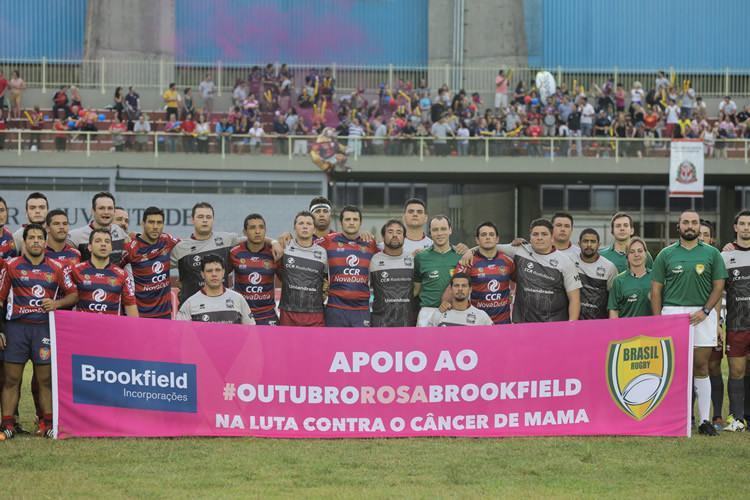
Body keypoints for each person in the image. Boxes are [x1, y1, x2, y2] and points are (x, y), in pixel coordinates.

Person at [651, 210, 727, 436]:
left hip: (702, 313)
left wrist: (705, 310)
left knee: (701, 366)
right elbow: (656, 290)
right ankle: (674, 419)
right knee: (672, 368)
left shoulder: (712, 254)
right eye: (686, 222)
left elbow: (719, 285)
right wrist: (658, 322)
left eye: (694, 222)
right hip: (673, 313)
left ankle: (704, 420)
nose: (690, 226)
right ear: (679, 226)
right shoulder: (665, 254)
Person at [0, 224, 78, 439]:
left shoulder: (57, 267)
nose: (35, 241)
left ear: (45, 242)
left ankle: (48, 424)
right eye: (31, 237)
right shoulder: (11, 266)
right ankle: (7, 425)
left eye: (39, 238)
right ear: (24, 242)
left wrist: (57, 303)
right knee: (11, 379)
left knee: (45, 380)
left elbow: (73, 294)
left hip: (43, 329)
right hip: (16, 328)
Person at [464, 218, 581, 323]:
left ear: (552, 237)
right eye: (535, 234)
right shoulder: (520, 250)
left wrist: (571, 326)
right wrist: (469, 252)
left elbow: (574, 299)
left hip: (554, 323)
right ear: (530, 237)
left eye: (544, 234)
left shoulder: (566, 261)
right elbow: (488, 246)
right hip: (523, 323)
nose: (539, 237)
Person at [170, 202, 241, 306]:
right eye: (200, 217)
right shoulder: (180, 248)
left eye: (208, 217)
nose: (204, 220)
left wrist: (273, 242)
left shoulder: (227, 240)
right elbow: (161, 268)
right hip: (191, 311)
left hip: (221, 308)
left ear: (213, 220)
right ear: (192, 220)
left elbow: (254, 240)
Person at [317, 206, 377, 327]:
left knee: (360, 346)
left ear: (360, 223)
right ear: (341, 222)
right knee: (335, 346)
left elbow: (390, 251)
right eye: (347, 219)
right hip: (335, 308)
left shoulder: (370, 243)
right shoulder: (328, 240)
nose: (351, 222)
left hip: (361, 309)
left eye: (355, 219)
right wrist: (275, 242)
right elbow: (305, 243)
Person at [120, 207, 180, 320]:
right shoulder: (130, 248)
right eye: (151, 222)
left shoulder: (167, 240)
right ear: (143, 223)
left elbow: (186, 250)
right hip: (140, 314)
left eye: (159, 222)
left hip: (164, 314)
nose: (155, 226)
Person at [721, 210, 750, 431]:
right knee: (737, 370)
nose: (746, 227)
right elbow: (720, 293)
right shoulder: (725, 256)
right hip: (736, 324)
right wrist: (719, 323)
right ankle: (737, 418)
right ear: (735, 227)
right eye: (743, 224)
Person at [454, 221, 514, 324]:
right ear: (477, 240)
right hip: (478, 323)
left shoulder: (507, 261)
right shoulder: (467, 261)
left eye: (491, 234)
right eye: (483, 235)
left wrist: (511, 295)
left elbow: (517, 281)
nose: (488, 237)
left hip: (503, 323)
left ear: (497, 239)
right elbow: (454, 287)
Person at [278, 211, 328, 327]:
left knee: (315, 345)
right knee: (288, 345)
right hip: (289, 312)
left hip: (314, 313)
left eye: (309, 224)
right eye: (301, 223)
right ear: (294, 228)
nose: (305, 226)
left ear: (314, 230)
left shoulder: (322, 252)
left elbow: (326, 280)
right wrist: (274, 241)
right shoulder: (284, 247)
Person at [72, 229, 137, 317]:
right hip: (83, 327)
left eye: (107, 242)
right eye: (98, 241)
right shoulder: (76, 270)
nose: (103, 244)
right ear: (89, 247)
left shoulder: (122, 274)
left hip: (112, 328)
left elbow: (130, 305)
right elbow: (68, 300)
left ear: (111, 247)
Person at [229, 214, 279, 325]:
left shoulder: (274, 253)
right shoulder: (235, 253)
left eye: (261, 227)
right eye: (252, 228)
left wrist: (275, 242)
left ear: (265, 230)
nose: (257, 231)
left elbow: (285, 280)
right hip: (241, 314)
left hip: (268, 315)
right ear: (244, 232)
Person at [176, 255, 255, 325]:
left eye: (217, 270)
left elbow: (251, 330)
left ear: (223, 272)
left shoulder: (238, 299)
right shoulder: (190, 303)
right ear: (202, 274)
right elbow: (179, 334)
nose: (214, 274)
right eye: (209, 271)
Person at [414, 215, 461, 327]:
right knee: (423, 345)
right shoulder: (421, 257)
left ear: (450, 230)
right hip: (428, 313)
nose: (439, 233)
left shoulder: (461, 256)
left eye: (443, 229)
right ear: (430, 232)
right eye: (435, 230)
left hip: (454, 311)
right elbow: (416, 289)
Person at [369, 220, 416, 327]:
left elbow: (417, 289)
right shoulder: (373, 260)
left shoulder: (413, 260)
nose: (395, 235)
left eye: (399, 232)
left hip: (407, 324)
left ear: (404, 237)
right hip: (380, 323)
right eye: (390, 232)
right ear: (383, 236)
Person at [67, 192, 130, 263]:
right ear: (93, 211)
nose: (106, 212)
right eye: (101, 208)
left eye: (110, 208)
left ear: (114, 211)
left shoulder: (120, 232)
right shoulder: (76, 236)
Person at [570, 228, 617, 320]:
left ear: (599, 245)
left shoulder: (609, 267)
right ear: (579, 244)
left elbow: (614, 299)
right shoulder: (569, 262)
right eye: (585, 241)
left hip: (599, 323)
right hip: (574, 321)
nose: (589, 245)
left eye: (593, 241)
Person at [423, 273, 493, 327]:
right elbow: (429, 339)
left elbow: (494, 338)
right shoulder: (439, 313)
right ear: (450, 289)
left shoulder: (482, 316)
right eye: (456, 285)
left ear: (470, 290)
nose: (460, 289)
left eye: (464, 286)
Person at [608, 237, 653, 318]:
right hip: (626, 329)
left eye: (640, 251)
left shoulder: (655, 278)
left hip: (652, 329)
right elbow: (614, 311)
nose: (636, 254)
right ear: (627, 256)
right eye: (632, 252)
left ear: (646, 254)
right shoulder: (618, 281)